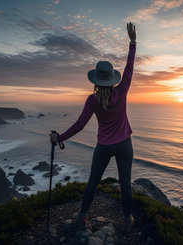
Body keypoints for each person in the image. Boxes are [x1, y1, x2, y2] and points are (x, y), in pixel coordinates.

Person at [50, 22, 137, 232]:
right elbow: (129, 68)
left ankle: (82, 217)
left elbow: (80, 125)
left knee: (92, 183)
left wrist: (59, 137)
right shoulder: (122, 91)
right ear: (112, 79)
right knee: (126, 184)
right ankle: (127, 220)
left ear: (96, 80)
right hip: (125, 145)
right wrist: (133, 42)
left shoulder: (93, 100)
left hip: (104, 146)